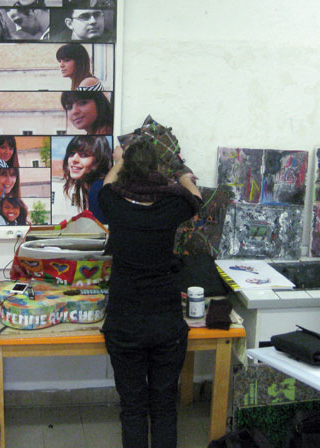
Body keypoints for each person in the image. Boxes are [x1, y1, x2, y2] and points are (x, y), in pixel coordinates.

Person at [96, 139, 202, 448]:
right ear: (157, 169)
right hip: (165, 325)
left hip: (124, 325)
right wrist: (185, 177)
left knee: (132, 407)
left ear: (127, 170)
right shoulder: (172, 206)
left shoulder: (114, 204)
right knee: (164, 405)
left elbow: (107, 185)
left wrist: (119, 160)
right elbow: (195, 197)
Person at [62, 135, 111, 212]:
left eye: (84, 155)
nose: (74, 159)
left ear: (99, 160)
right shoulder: (90, 187)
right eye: (72, 153)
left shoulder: (99, 190)